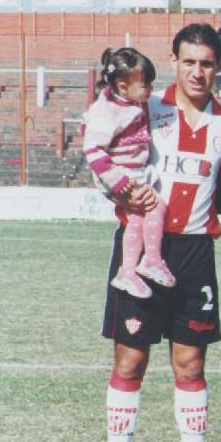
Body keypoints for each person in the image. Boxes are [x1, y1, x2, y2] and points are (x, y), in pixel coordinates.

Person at [93, 24, 221, 442]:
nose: (198, 71)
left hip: (194, 253)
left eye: (207, 63)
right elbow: (103, 150)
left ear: (218, 67)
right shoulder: (146, 108)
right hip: (139, 248)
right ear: (174, 61)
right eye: (190, 61)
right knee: (130, 359)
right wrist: (117, 190)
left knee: (190, 361)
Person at [83, 47, 174, 300]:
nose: (150, 90)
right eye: (146, 85)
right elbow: (93, 149)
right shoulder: (108, 112)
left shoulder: (129, 104)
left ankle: (128, 270)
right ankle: (151, 259)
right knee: (156, 207)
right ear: (123, 87)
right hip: (125, 175)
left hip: (134, 172)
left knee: (137, 219)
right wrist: (117, 181)